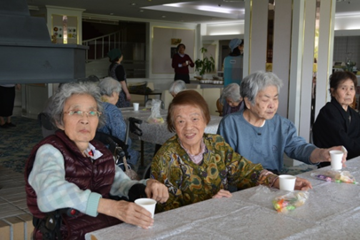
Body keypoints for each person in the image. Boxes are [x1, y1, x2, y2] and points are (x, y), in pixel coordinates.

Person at [25, 82, 169, 239]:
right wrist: (111, 207)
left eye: (92, 113)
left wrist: (145, 186)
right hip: (65, 234)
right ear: (60, 121)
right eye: (76, 112)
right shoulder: (49, 151)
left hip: (102, 231)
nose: (85, 119)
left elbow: (120, 183)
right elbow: (49, 194)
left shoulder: (99, 151)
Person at [151, 90, 312, 213]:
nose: (188, 127)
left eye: (195, 118)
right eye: (180, 121)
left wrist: (278, 181)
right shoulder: (166, 158)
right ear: (173, 125)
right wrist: (209, 206)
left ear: (206, 119)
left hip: (221, 216)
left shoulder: (216, 144)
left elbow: (245, 171)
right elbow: (166, 211)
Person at [217, 71, 347, 174]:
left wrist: (322, 153)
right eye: (265, 99)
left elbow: (298, 147)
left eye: (275, 98)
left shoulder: (282, 125)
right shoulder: (230, 124)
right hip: (241, 187)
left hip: (273, 184)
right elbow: (226, 164)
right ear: (248, 102)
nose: (272, 105)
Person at [313, 71, 360, 164]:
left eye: (351, 88)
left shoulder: (354, 114)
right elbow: (342, 142)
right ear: (333, 91)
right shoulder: (328, 112)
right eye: (343, 88)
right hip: (331, 164)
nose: (348, 93)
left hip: (353, 161)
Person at [98, 77, 139, 166]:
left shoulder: (93, 105)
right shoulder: (112, 111)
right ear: (113, 93)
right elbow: (121, 137)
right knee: (134, 152)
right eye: (118, 94)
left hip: (95, 148)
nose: (118, 97)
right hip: (111, 151)